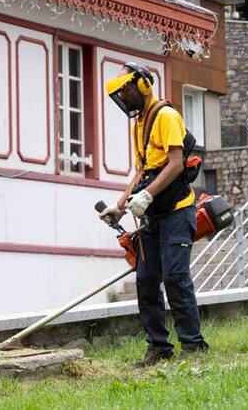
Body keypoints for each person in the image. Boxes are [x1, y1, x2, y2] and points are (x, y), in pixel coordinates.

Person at [99, 62, 209, 366]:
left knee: (175, 277)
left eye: (126, 92)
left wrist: (148, 194)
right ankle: (158, 347)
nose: (124, 99)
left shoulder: (167, 116)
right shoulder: (140, 123)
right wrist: (119, 206)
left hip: (176, 212)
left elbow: (175, 163)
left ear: (142, 86)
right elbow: (144, 169)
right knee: (146, 281)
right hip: (151, 216)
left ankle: (193, 345)